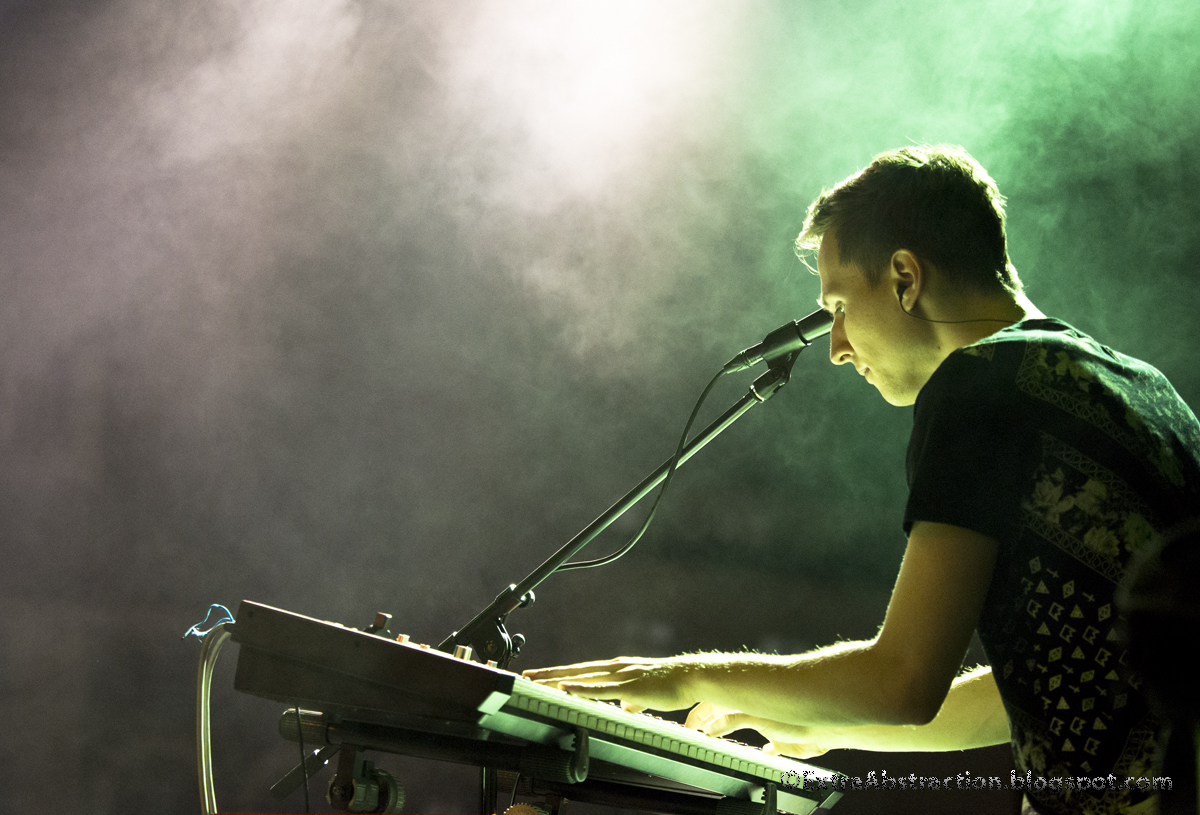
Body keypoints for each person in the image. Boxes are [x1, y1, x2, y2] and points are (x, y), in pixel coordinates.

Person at [524, 145, 1200, 815]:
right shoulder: (1147, 391)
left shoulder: (979, 385)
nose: (838, 348)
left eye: (841, 306)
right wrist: (833, 724)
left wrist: (683, 676)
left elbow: (905, 679)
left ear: (905, 277)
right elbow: (1059, 687)